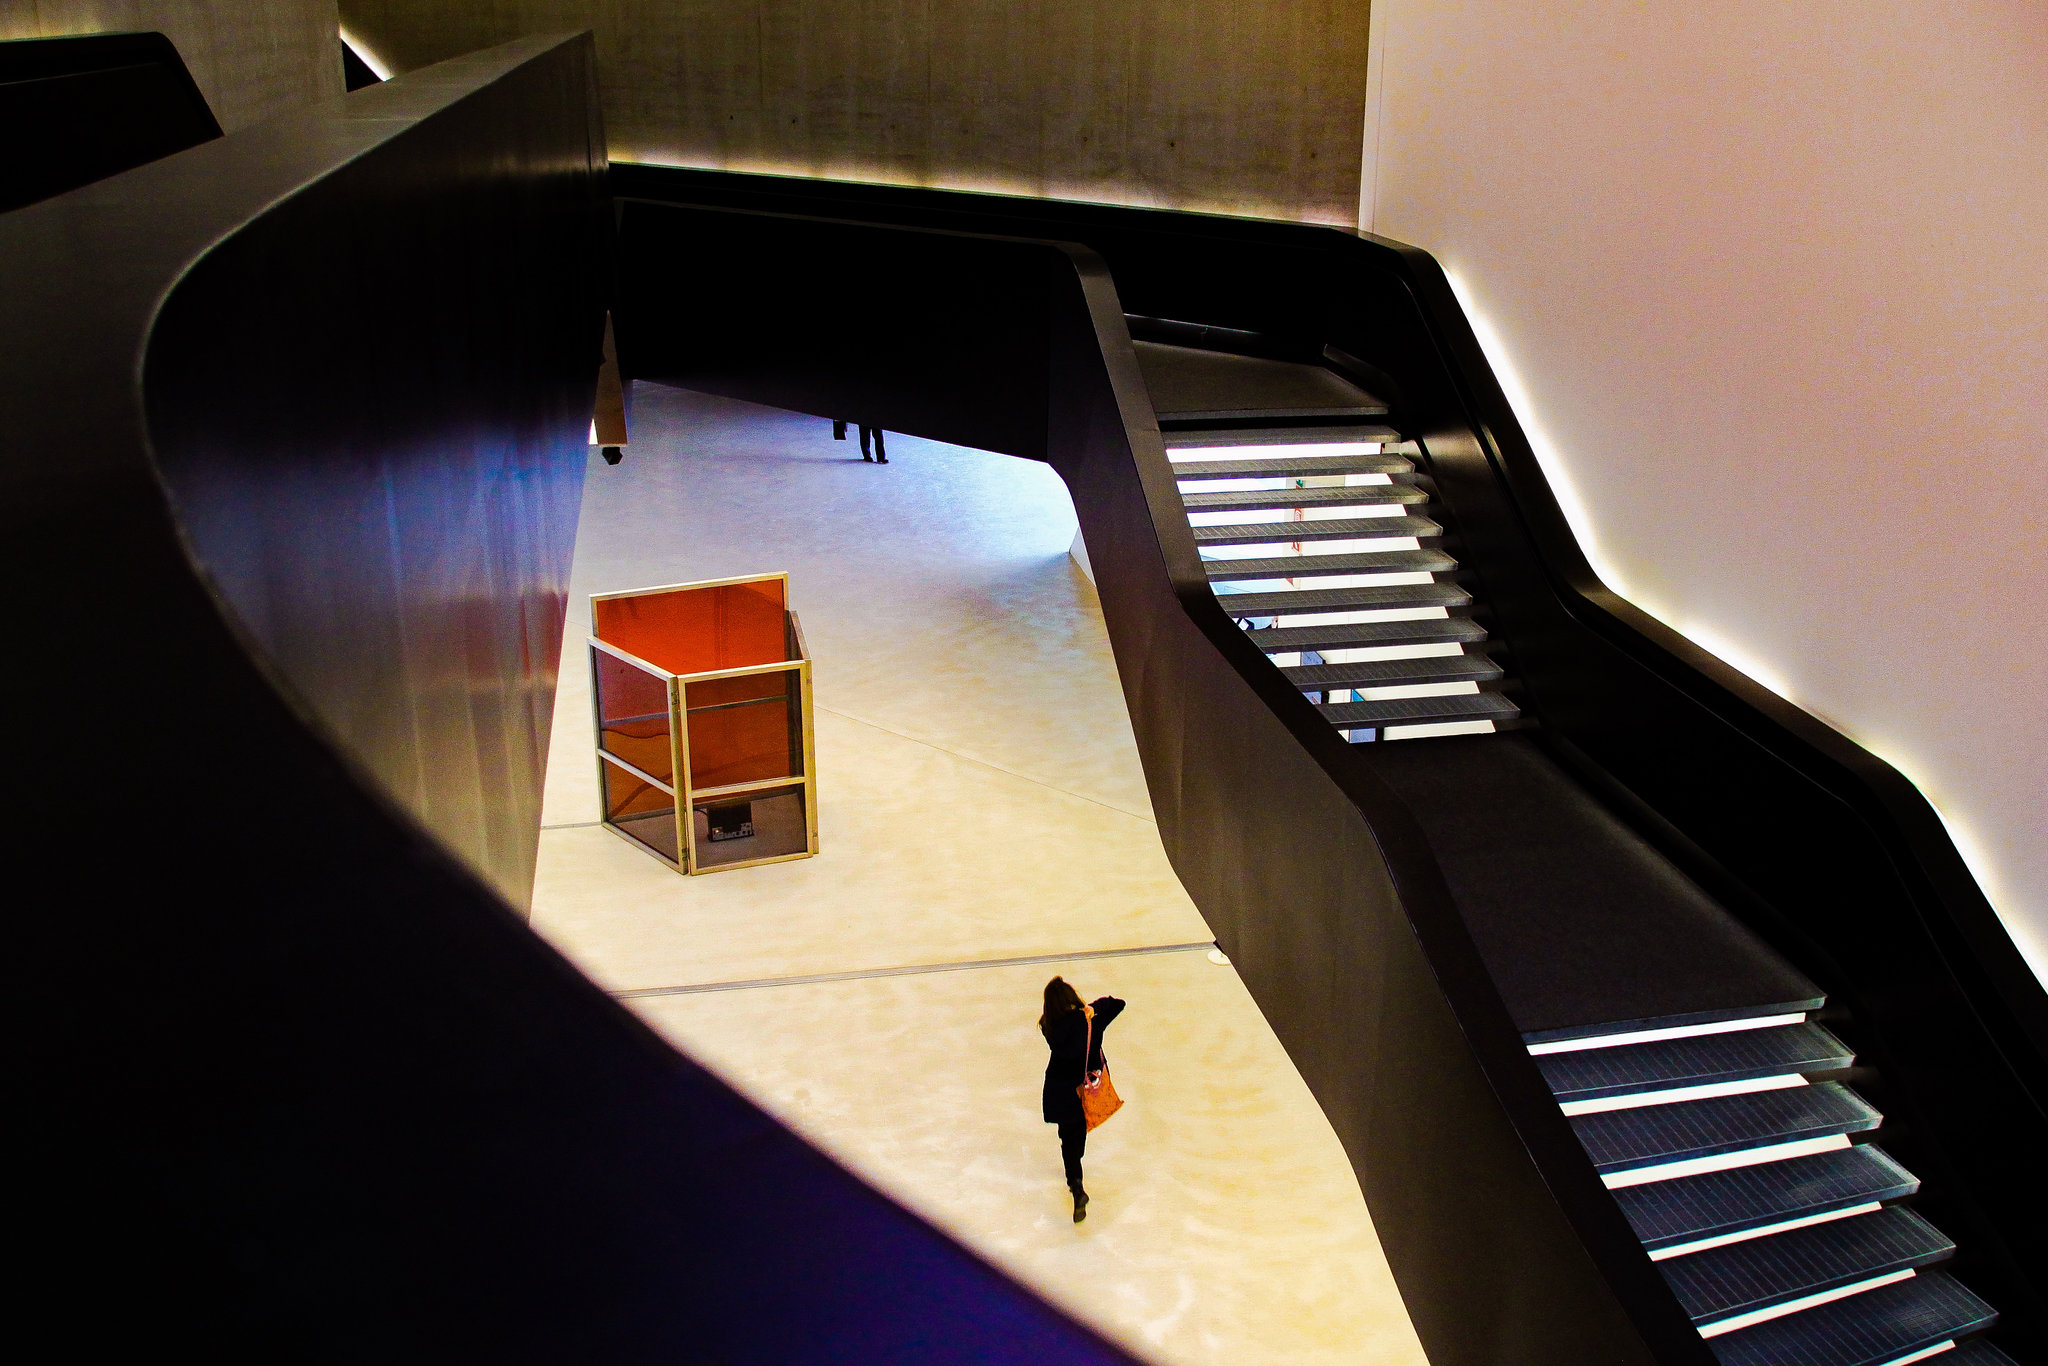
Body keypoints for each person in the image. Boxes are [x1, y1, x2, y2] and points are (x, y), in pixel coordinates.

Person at [1039, 976, 1125, 1223]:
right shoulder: (1090, 1023)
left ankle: (1076, 1187)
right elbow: (1117, 1003)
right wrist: (1093, 1009)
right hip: (1083, 1088)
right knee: (1076, 1140)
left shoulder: (1049, 1027)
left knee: (1068, 1142)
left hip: (1059, 1090)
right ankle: (1076, 1183)